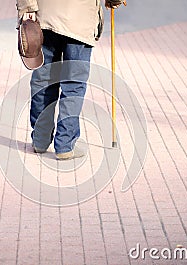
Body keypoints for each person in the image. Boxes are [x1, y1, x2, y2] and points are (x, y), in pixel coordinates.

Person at [16, 0, 125, 160]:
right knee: (73, 85)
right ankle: (65, 145)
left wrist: (27, 7)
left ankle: (40, 139)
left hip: (45, 16)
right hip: (80, 20)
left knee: (43, 79)